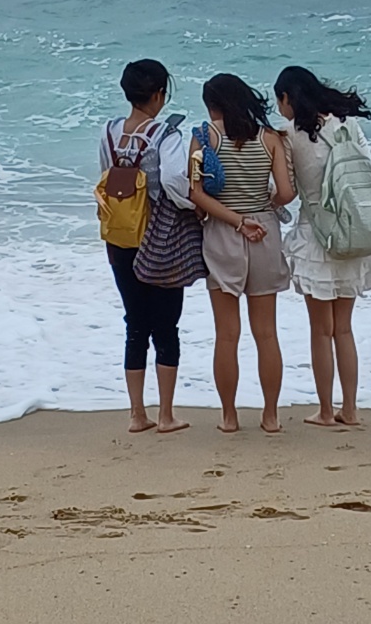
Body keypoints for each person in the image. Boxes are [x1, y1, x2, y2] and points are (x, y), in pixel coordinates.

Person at [274, 65, 371, 427]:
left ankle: (324, 411)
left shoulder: (291, 135)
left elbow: (287, 191)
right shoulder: (347, 124)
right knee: (344, 329)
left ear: (287, 97)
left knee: (321, 330)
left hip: (317, 237)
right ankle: (349, 409)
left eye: (280, 101)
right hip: (353, 230)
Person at [188, 73, 294, 434]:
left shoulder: (204, 137)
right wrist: (265, 206)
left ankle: (229, 417)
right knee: (266, 334)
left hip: (223, 231)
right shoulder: (270, 138)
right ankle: (271, 416)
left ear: (212, 105)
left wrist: (236, 220)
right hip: (264, 232)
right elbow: (286, 192)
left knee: (227, 335)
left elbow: (196, 193)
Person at [99, 59, 192, 434]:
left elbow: (105, 177)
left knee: (135, 324)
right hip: (159, 241)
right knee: (166, 326)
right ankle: (166, 415)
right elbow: (174, 182)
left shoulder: (109, 132)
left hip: (119, 238)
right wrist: (196, 205)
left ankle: (137, 414)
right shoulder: (165, 135)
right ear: (158, 95)